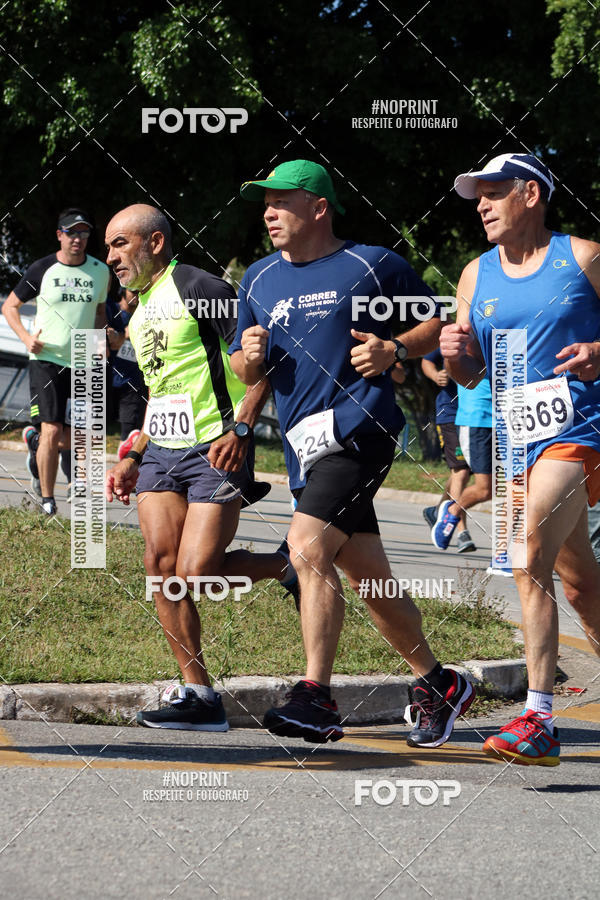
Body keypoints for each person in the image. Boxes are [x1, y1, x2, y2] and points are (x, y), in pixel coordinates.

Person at [230, 159, 475, 745]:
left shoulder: (371, 264)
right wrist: (249, 357)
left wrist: (395, 349)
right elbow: (243, 368)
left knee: (306, 549)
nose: (269, 213)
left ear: (319, 207)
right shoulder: (258, 278)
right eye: (265, 203)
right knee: (370, 580)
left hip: (360, 430)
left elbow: (434, 323)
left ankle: (315, 695)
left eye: (281, 201)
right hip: (304, 448)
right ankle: (439, 682)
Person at [104, 203, 298, 732]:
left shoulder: (200, 287)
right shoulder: (137, 310)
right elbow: (160, 392)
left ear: (155, 243)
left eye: (120, 244)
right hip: (160, 454)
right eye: (109, 247)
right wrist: (133, 456)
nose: (111, 257)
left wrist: (242, 429)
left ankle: (286, 567)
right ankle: (199, 695)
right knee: (160, 568)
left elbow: (261, 362)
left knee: (197, 573)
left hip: (215, 445)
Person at [442, 152, 600, 766]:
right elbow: (472, 372)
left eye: (493, 191)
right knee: (580, 585)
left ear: (530, 194)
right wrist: (455, 354)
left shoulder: (583, 257)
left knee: (527, 552)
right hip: (514, 442)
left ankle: (538, 719)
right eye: (476, 195)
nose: (481, 205)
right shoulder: (474, 275)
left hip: (578, 430)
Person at [3, 208, 110, 514]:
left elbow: (99, 312)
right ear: (59, 235)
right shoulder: (43, 269)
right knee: (52, 429)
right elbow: (10, 306)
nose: (78, 238)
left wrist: (101, 341)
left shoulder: (100, 271)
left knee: (82, 433)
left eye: (83, 232)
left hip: (84, 359)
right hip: (46, 359)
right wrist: (26, 338)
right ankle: (48, 501)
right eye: (71, 232)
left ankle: (39, 450)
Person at [421, 349, 475, 552]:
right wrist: (435, 375)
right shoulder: (456, 337)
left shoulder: (491, 338)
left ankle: (436, 511)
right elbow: (427, 360)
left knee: (462, 472)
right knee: (461, 471)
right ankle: (461, 531)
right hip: (451, 414)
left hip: (477, 415)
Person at [430, 377, 493, 551]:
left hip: (511, 418)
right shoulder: (471, 355)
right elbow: (435, 364)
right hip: (477, 418)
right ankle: (454, 516)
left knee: (515, 486)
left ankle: (507, 552)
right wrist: (438, 374)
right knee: (482, 487)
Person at [105, 287, 148, 459]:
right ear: (122, 291)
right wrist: (119, 334)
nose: (136, 296)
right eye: (133, 292)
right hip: (108, 379)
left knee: (130, 432)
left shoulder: (145, 315)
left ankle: (123, 468)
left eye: (139, 292)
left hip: (132, 383)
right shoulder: (111, 311)